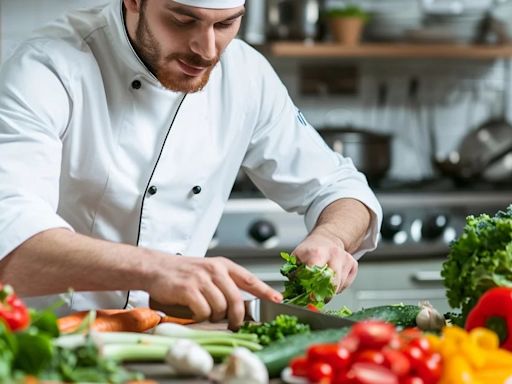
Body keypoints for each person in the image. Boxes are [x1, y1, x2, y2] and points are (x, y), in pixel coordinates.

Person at [0, 0, 382, 330]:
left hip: (177, 344)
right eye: (182, 21)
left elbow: (339, 187)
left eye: (226, 23)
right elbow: (13, 239)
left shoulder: (247, 75)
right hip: (48, 343)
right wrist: (157, 269)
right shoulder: (48, 66)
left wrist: (331, 237)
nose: (206, 48)